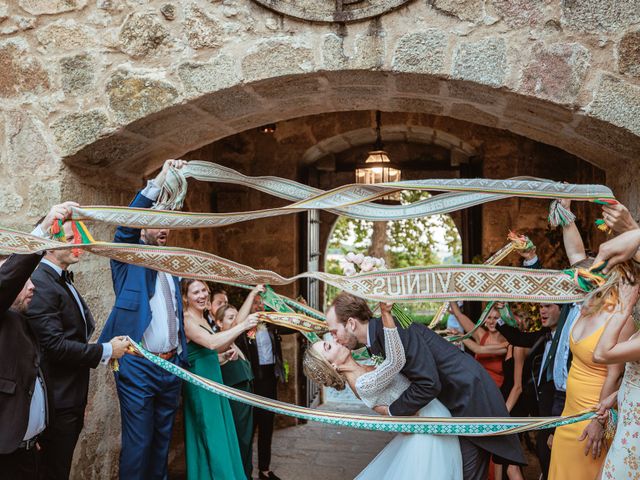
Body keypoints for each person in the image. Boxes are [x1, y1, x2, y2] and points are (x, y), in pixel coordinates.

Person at [325, 292, 525, 480]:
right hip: (450, 405)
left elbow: (428, 383)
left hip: (467, 398)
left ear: (351, 323)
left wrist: (393, 412)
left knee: (465, 472)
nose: (334, 338)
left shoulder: (390, 331)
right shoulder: (378, 336)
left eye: (334, 332)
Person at [97, 159, 190, 480]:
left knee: (161, 445)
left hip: (170, 367)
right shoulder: (127, 258)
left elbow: (175, 315)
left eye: (167, 223)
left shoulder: (171, 266)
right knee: (139, 446)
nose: (162, 229)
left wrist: (180, 358)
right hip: (139, 367)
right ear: (143, 226)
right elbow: (125, 227)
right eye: (155, 222)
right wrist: (160, 180)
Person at [304, 301, 463, 479]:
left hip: (430, 413)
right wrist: (386, 314)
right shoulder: (362, 384)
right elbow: (396, 362)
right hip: (426, 423)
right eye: (328, 346)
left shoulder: (363, 369)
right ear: (333, 366)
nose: (333, 340)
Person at [27, 220, 129, 480]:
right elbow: (54, 347)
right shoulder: (41, 282)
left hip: (69, 397)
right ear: (50, 243)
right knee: (52, 471)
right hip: (55, 402)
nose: (78, 244)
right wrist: (106, 350)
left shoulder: (59, 279)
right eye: (71, 238)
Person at [0, 202, 76, 480]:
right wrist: (43, 231)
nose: (33, 286)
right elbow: (7, 278)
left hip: (30, 449)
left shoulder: (22, 320)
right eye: (24, 282)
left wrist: (40, 428)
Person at [548, 262, 637, 480]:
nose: (571, 290)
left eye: (577, 283)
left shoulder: (620, 319)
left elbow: (614, 376)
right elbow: (576, 255)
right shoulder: (583, 309)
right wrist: (566, 224)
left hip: (592, 414)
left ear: (595, 283)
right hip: (568, 412)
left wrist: (598, 421)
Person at [181, 279, 258, 480]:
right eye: (195, 292)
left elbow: (217, 348)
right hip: (201, 386)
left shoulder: (205, 317)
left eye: (204, 291)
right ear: (185, 297)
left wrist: (222, 357)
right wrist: (242, 326)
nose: (202, 295)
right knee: (211, 438)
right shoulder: (186, 319)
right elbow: (211, 342)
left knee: (221, 437)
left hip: (215, 382)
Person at [236, 285, 297, 480]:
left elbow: (292, 325)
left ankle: (264, 469)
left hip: (269, 381)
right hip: (251, 383)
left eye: (262, 301)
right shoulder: (242, 328)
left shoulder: (271, 324)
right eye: (255, 302)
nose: (259, 305)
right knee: (248, 428)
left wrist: (296, 311)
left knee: (267, 426)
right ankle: (243, 471)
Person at [591, 281, 640, 480]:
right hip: (628, 430)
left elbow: (601, 354)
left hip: (634, 439)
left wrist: (624, 307)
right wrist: (616, 395)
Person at [215, 304, 255, 480]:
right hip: (235, 401)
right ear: (218, 323)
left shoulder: (235, 343)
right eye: (230, 318)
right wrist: (253, 294)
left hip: (246, 398)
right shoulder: (221, 344)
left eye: (236, 317)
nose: (236, 322)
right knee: (239, 440)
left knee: (246, 441)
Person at [449, 302, 508, 387]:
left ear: (502, 320)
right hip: (478, 384)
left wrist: (460, 336)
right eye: (489, 318)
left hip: (495, 388)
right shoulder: (481, 335)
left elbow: (478, 349)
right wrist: (451, 294)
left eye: (496, 318)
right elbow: (458, 315)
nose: (491, 321)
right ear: (485, 320)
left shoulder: (507, 342)